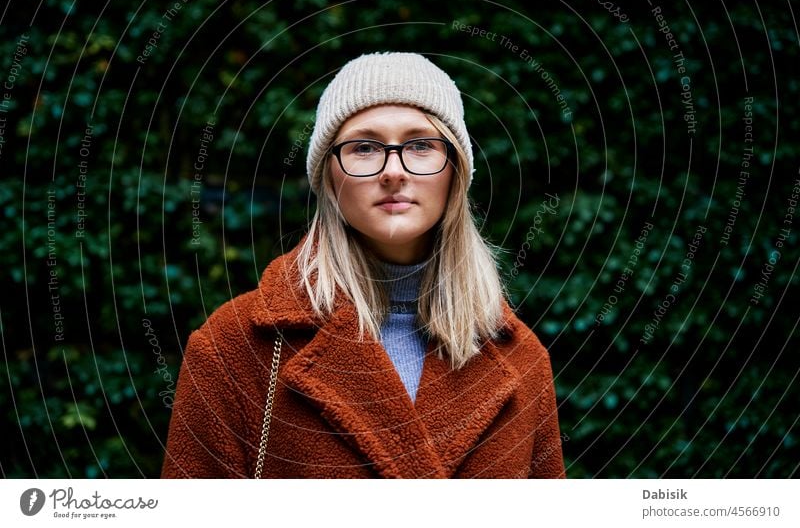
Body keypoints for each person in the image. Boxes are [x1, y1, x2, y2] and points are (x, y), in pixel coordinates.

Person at [161, 51, 566, 479]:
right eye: (365, 148)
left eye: (422, 145)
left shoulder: (521, 361)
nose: (393, 171)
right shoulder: (234, 350)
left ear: (455, 172)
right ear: (329, 177)